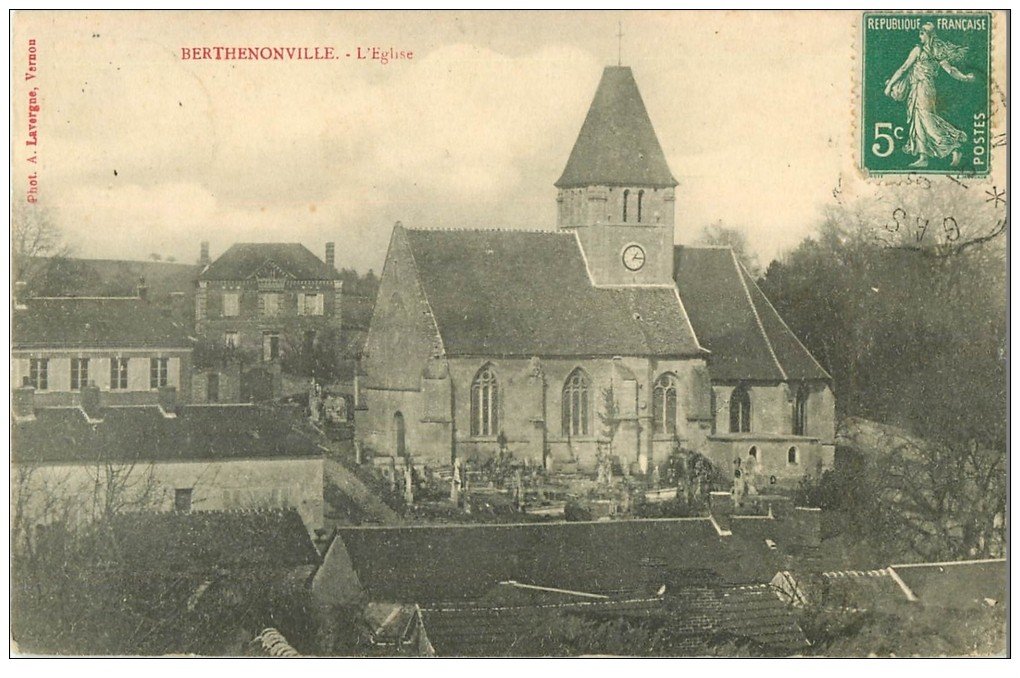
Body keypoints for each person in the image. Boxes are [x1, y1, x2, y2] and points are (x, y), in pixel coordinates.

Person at [884, 22, 976, 168]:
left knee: (926, 119)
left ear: (928, 35)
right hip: (923, 88)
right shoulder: (936, 51)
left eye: (922, 33)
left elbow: (903, 68)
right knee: (918, 120)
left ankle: (954, 145)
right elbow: (951, 70)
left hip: (922, 88)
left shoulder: (918, 50)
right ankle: (923, 157)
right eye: (920, 33)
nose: (920, 36)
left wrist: (889, 86)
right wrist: (965, 77)